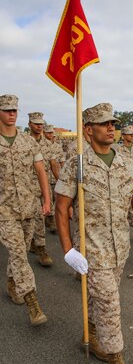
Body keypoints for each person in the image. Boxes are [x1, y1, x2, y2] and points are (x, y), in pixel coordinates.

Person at [55, 103, 133, 364]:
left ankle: (92, 331)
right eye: (103, 124)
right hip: (93, 251)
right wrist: (67, 251)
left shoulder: (126, 161)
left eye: (113, 123)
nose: (111, 128)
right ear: (88, 130)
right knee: (111, 307)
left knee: (101, 299)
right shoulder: (77, 164)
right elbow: (62, 210)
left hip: (120, 248)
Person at [0, 94, 50, 325]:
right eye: (7, 110)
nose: (12, 114)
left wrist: (47, 201)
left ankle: (12, 284)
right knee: (20, 253)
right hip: (4, 211)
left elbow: (41, 172)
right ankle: (33, 304)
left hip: (30, 207)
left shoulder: (28, 142)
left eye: (14, 110)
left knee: (19, 251)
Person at [28, 112, 59, 266]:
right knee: (26, 220)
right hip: (25, 188)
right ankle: (32, 242)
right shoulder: (24, 142)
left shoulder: (48, 145)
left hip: (43, 186)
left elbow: (53, 164)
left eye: (41, 124)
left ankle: (41, 249)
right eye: (36, 123)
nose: (39, 126)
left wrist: (61, 181)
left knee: (40, 218)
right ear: (29, 124)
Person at [43, 124, 66, 233]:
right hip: (46, 177)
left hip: (56, 176)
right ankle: (50, 222)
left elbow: (61, 160)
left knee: (56, 200)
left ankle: (52, 220)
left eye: (52, 132)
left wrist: (63, 175)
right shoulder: (41, 145)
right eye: (48, 132)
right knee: (47, 200)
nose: (50, 134)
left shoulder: (57, 146)